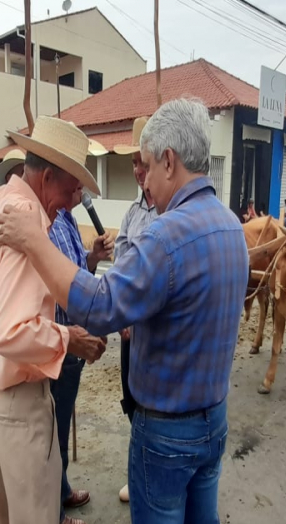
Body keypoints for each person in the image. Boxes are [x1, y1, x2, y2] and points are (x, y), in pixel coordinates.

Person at [0, 99, 248, 524]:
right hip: (212, 419)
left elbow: (102, 305)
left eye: (149, 166)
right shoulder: (229, 226)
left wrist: (34, 241)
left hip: (166, 431)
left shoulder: (166, 234)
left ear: (171, 161)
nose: (145, 180)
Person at [0, 115, 106, 524]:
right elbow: (12, 331)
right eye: (71, 188)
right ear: (48, 177)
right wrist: (68, 338)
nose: (72, 202)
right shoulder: (28, 226)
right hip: (19, 405)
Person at [48, 182, 114, 524]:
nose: (83, 190)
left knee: (59, 424)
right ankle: (54, 515)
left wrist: (92, 258)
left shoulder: (67, 220)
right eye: (78, 183)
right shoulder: (51, 222)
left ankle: (62, 490)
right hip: (59, 342)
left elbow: (77, 271)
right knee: (52, 432)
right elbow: (66, 286)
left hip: (69, 340)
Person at [112, 115, 158, 503]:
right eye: (134, 164)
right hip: (130, 326)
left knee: (151, 401)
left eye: (144, 163)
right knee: (130, 398)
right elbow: (122, 257)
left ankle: (149, 474)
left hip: (154, 326)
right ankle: (140, 468)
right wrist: (123, 314)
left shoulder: (171, 212)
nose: (139, 171)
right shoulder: (133, 212)